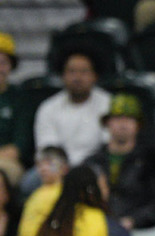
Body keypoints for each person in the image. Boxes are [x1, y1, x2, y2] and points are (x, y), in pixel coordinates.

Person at [83, 94, 155, 230]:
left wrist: (134, 221)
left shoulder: (150, 161)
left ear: (138, 125)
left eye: (129, 119)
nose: (123, 124)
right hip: (97, 228)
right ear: (107, 123)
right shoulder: (93, 162)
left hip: (140, 231)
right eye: (117, 118)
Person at [31, 49, 111, 183]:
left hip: (96, 166)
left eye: (84, 72)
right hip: (58, 167)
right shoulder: (48, 107)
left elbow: (108, 144)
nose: (77, 78)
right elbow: (47, 147)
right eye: (72, 71)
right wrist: (61, 169)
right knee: (30, 182)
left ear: (95, 76)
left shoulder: (107, 104)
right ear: (63, 76)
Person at [16, 147, 70, 236]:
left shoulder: (64, 194)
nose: (43, 168)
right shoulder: (36, 193)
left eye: (50, 163)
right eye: (40, 164)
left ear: (65, 168)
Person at [0, 32, 29, 186]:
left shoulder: (20, 99)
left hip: (7, 164)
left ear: (11, 66)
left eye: (3, 62)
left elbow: (17, 149)